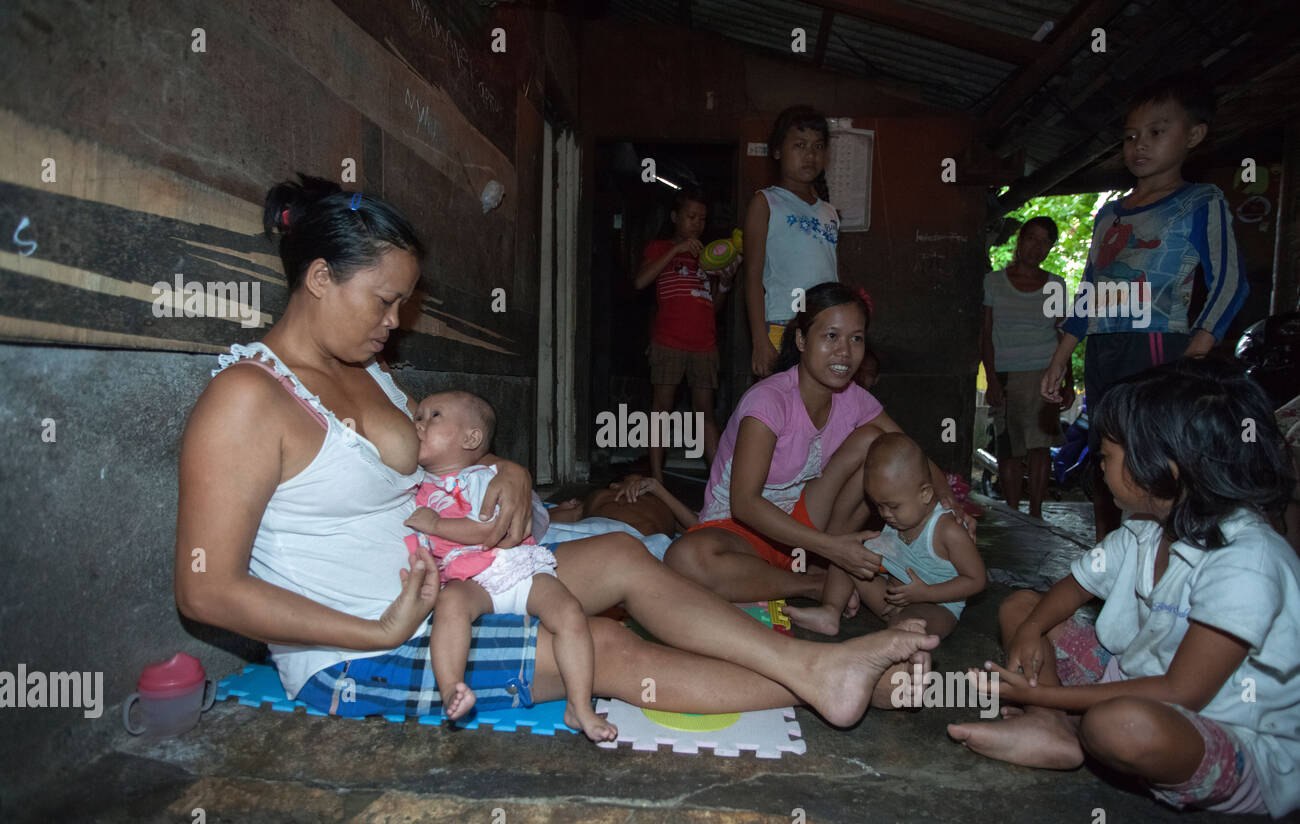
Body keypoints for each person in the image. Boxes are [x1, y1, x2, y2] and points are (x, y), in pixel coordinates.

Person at [173, 174, 941, 731]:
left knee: (619, 551)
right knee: (596, 643)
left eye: (403, 300)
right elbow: (206, 592)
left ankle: (812, 670)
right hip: (359, 647)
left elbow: (443, 452)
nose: (397, 320)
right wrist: (375, 629)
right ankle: (826, 680)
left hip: (452, 585)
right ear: (316, 279)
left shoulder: (369, 373)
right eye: (384, 300)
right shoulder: (246, 398)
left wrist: (504, 468)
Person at [951, 360, 1300, 819]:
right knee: (1022, 607)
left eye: (1108, 456)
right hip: (1132, 680)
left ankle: (1057, 717)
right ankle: (1054, 727)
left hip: (1228, 730)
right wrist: (1033, 630)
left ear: (1164, 468)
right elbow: (1072, 587)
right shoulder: (1145, 527)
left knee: (1122, 726)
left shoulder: (1247, 560)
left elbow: (1181, 693)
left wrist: (1034, 692)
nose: (1099, 466)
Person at [666, 283, 975, 610]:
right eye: (831, 336)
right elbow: (744, 504)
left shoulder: (853, 398)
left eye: (856, 338)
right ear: (801, 340)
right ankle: (815, 583)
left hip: (808, 521)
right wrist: (831, 547)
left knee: (877, 443)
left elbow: (910, 454)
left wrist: (952, 507)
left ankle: (819, 566)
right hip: (739, 531)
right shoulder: (769, 402)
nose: (845, 351)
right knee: (684, 558)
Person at [1040, 74, 1249, 542]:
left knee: (1155, 461)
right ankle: (1108, 562)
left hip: (1161, 345)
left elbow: (1231, 283)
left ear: (1193, 135)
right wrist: (1060, 356)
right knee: (1107, 456)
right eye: (1131, 136)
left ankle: (1165, 567)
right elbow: (1091, 289)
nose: (1140, 145)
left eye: (1158, 131)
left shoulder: (1201, 202)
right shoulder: (1110, 214)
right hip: (1104, 350)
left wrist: (1195, 354)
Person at [398, 391, 614, 739]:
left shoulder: (490, 476)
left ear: (471, 438)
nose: (418, 424)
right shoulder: (418, 486)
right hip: (469, 580)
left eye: (433, 416)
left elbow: (490, 531)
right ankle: (453, 688)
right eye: (417, 417)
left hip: (518, 569)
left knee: (570, 613)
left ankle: (579, 706)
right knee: (450, 606)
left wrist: (436, 525)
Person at [784, 433, 986, 638]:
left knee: (906, 625)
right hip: (893, 595)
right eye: (878, 505)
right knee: (847, 555)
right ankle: (830, 611)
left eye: (893, 506)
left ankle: (912, 647)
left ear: (925, 493)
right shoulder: (899, 515)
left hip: (936, 605)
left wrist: (925, 593)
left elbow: (977, 580)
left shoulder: (948, 530)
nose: (885, 514)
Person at [633, 186, 733, 483]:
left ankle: (720, 485)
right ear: (675, 217)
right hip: (668, 342)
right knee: (661, 410)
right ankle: (656, 480)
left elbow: (710, 307)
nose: (697, 224)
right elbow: (640, 282)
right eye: (690, 217)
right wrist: (676, 250)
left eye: (702, 219)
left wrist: (725, 285)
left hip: (705, 345)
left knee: (705, 413)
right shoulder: (659, 248)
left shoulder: (709, 257)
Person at [981, 217, 1071, 518]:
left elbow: (1062, 335)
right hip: (1006, 373)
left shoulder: (1055, 285)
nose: (1037, 247)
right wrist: (992, 380)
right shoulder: (994, 282)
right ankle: (1012, 511)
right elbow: (986, 334)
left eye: (1045, 242)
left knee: (1040, 445)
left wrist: (1066, 381)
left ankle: (1035, 511)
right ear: (1020, 240)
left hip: (1044, 373)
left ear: (1050, 248)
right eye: (1032, 239)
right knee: (1009, 446)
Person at [744, 105, 840, 378]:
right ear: (777, 151)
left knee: (816, 412)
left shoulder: (829, 212)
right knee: (782, 413)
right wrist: (760, 341)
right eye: (800, 145)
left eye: (818, 146)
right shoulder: (765, 203)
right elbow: (751, 278)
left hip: (825, 327)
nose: (810, 154)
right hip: (781, 326)